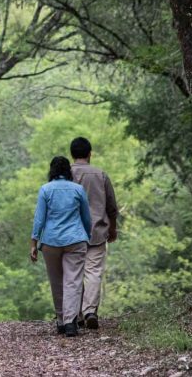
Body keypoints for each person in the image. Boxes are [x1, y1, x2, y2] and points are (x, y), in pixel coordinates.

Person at [30, 156, 92, 337]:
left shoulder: (45, 190)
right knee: (72, 281)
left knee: (56, 281)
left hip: (50, 241)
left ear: (52, 171)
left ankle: (60, 321)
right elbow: (86, 217)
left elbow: (39, 218)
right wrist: (87, 236)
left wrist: (34, 242)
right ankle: (70, 322)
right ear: (68, 171)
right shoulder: (78, 189)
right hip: (75, 240)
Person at [70, 137, 119, 330]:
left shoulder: (67, 175)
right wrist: (112, 228)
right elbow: (111, 205)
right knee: (93, 272)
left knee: (74, 273)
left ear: (72, 154)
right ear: (90, 153)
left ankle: (77, 313)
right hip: (97, 231)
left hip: (72, 232)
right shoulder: (101, 175)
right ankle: (90, 310)